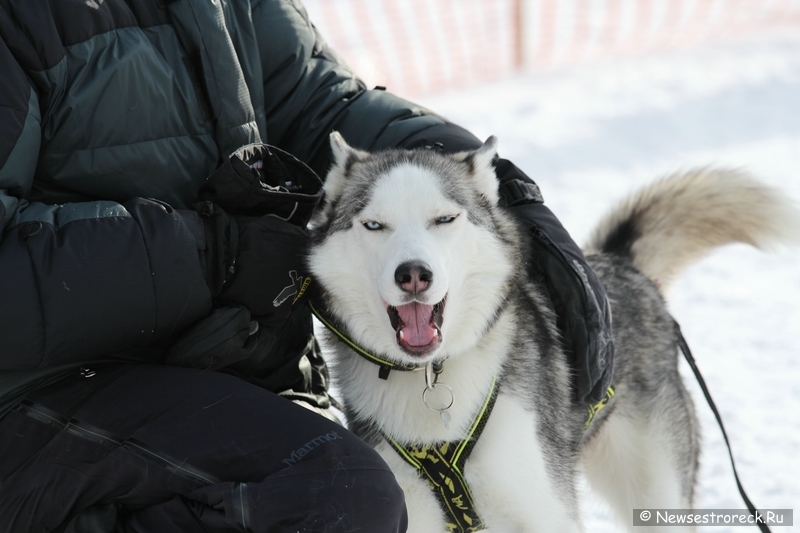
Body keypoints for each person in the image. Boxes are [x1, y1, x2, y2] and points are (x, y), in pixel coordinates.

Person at [0, 0, 613, 531]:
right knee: (338, 495)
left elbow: (319, 105)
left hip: (222, 356)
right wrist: (205, 257)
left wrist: (476, 188)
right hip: (46, 390)